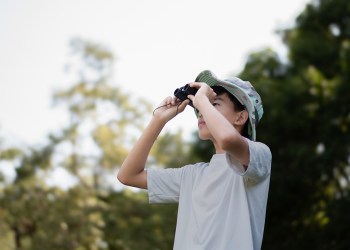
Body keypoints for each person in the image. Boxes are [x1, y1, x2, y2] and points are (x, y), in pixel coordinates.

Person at [117, 70, 272, 250]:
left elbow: (228, 139)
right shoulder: (192, 176)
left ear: (240, 117)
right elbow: (128, 175)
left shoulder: (260, 155)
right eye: (199, 108)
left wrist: (201, 100)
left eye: (214, 104)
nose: (200, 112)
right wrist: (158, 120)